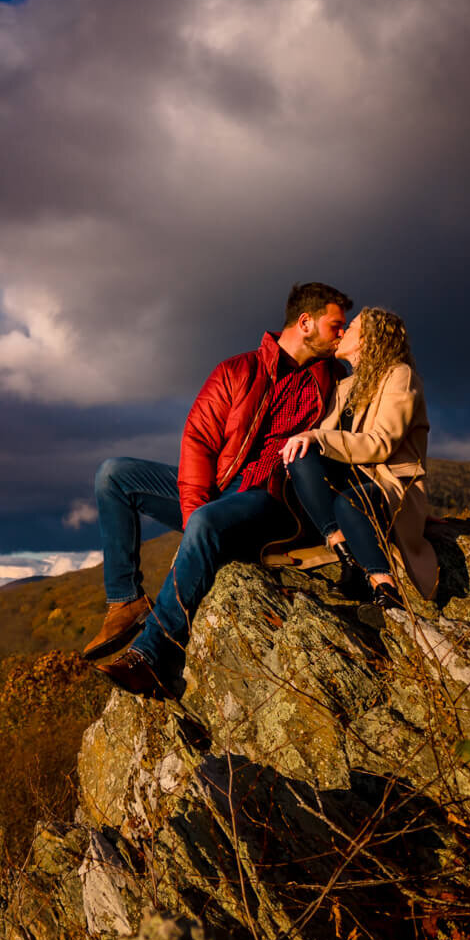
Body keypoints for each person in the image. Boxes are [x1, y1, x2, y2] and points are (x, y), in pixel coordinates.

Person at [88, 283, 350, 695]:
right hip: (222, 492)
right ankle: (125, 600)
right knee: (113, 474)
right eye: (336, 325)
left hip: (277, 502)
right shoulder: (236, 370)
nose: (342, 333)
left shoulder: (334, 378)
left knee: (209, 519)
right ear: (305, 322)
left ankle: (151, 656)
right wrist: (196, 518)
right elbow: (198, 443)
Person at [279, 307, 436, 610]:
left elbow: (381, 444)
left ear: (369, 338)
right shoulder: (345, 386)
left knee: (348, 502)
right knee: (299, 452)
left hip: (387, 483)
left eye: (350, 327)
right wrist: (307, 441)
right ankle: (346, 556)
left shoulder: (399, 376)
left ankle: (385, 589)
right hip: (351, 477)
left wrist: (317, 436)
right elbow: (323, 442)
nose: (342, 333)